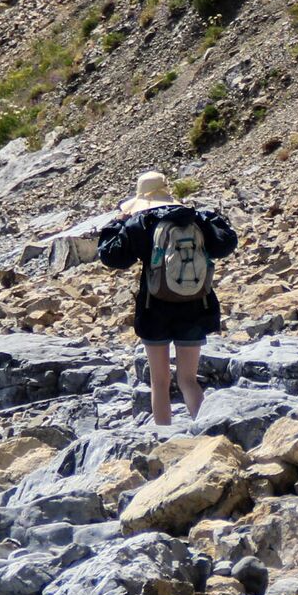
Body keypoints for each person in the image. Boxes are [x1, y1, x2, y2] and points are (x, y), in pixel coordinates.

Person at [97, 172, 237, 426]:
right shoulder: (194, 219)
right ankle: (207, 432)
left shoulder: (141, 222)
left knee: (159, 381)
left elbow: (112, 257)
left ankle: (162, 439)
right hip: (194, 305)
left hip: (154, 309)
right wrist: (208, 217)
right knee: (188, 379)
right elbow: (226, 244)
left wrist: (117, 223)